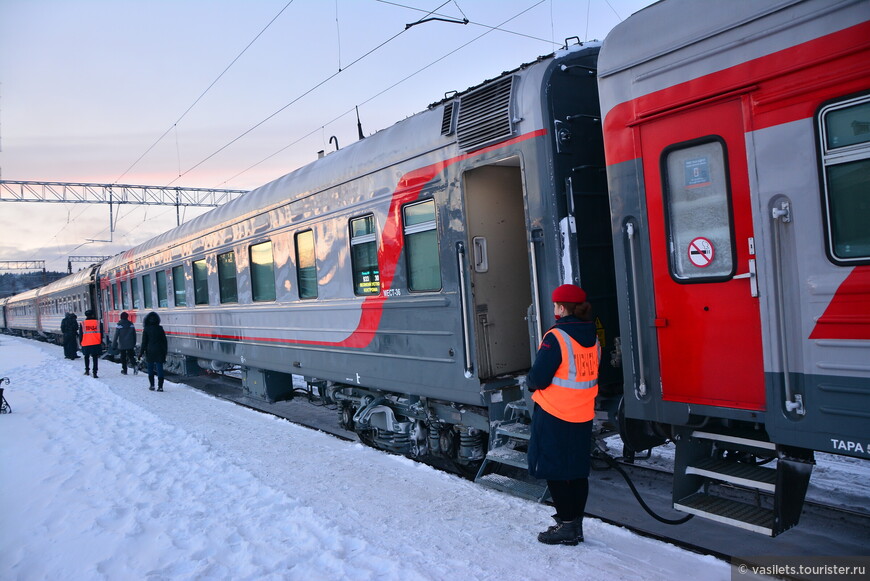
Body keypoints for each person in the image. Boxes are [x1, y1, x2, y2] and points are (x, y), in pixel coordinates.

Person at [526, 284, 599, 546]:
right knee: (577, 471)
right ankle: (575, 525)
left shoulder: (556, 337)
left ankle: (566, 526)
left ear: (560, 307)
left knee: (554, 470)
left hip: (555, 412)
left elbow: (538, 377)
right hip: (582, 412)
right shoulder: (592, 335)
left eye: (556, 304)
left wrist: (530, 383)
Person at [139, 311, 168, 391]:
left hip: (150, 351)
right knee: (160, 368)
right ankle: (160, 387)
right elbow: (164, 341)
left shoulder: (146, 329)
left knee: (150, 369)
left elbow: (144, 342)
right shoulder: (160, 328)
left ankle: (152, 385)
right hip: (159, 350)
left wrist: (140, 353)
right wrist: (165, 352)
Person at [78, 309, 103, 378]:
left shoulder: (83, 323)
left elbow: (81, 334)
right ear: (93, 315)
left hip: (86, 343)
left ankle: (87, 371)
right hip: (96, 343)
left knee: (86, 357)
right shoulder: (98, 323)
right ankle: (95, 373)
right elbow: (101, 333)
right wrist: (100, 341)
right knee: (95, 358)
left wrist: (81, 342)